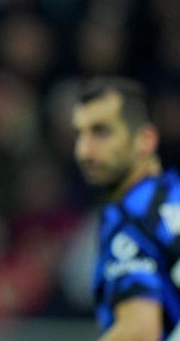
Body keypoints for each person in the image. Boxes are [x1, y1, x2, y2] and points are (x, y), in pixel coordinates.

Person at [71, 76, 180, 341]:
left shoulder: (133, 220)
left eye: (101, 132)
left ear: (145, 140)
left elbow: (140, 332)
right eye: (79, 134)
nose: (84, 151)